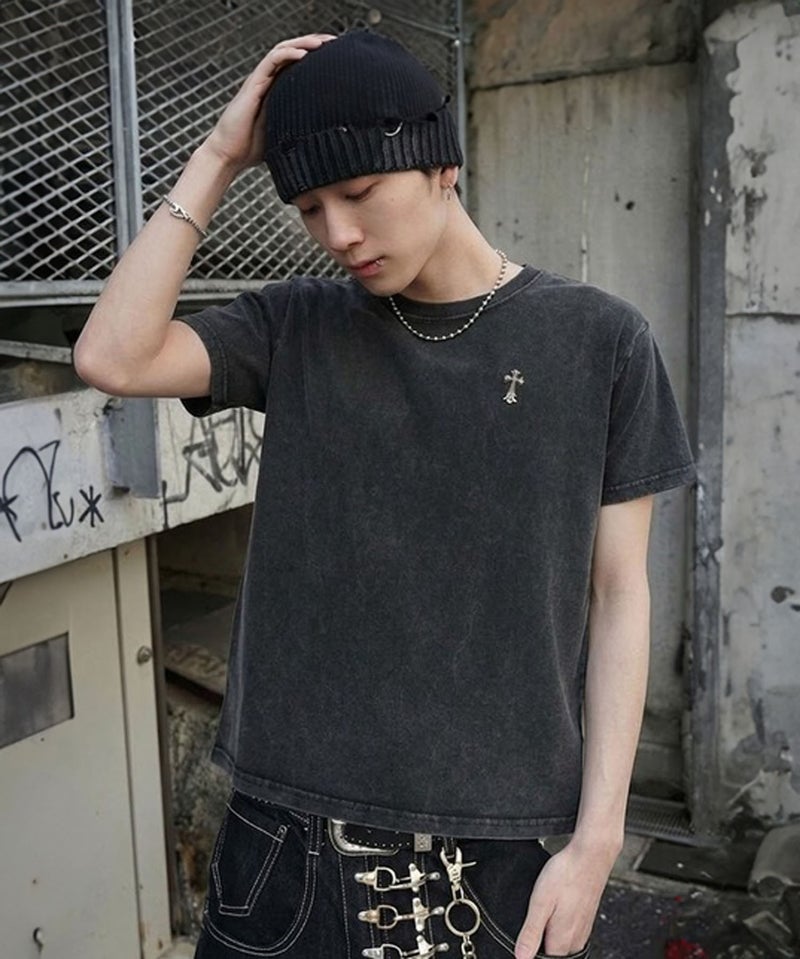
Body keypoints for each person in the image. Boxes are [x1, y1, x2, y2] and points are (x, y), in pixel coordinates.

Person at [75, 30, 696, 959]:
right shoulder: (296, 324)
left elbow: (620, 594)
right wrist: (219, 156)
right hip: (280, 846)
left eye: (360, 192)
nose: (338, 234)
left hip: (488, 862)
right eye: (310, 207)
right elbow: (111, 357)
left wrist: (597, 840)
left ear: (443, 165)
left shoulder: (599, 341)